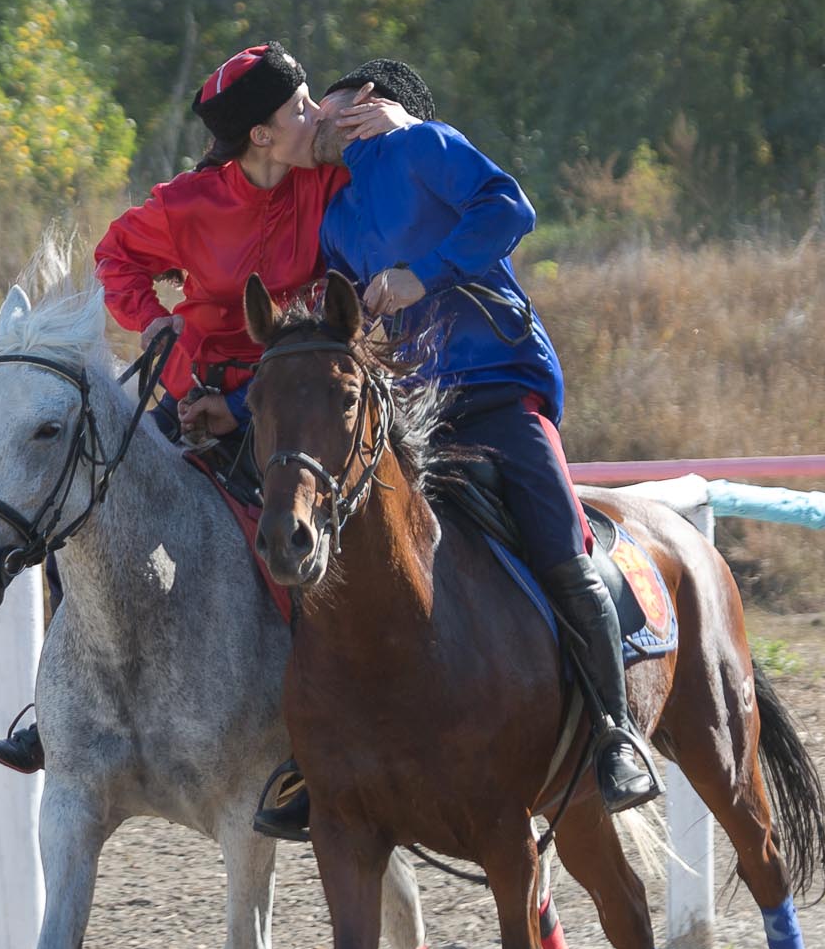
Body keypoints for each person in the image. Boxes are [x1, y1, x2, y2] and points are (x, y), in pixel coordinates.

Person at [250, 60, 662, 837]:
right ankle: (321, 755)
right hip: (415, 413)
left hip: (500, 392)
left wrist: (419, 274)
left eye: (321, 101)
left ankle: (615, 734)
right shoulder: (336, 218)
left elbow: (512, 209)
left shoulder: (424, 146)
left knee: (561, 548)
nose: (310, 119)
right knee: (346, 551)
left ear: (365, 103)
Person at [0, 43, 410, 774]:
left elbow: (408, 178)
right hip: (188, 390)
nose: (317, 116)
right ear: (262, 137)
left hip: (284, 402)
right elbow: (115, 256)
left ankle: (318, 727)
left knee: (298, 534)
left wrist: (399, 124)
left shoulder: (331, 181)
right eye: (302, 106)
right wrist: (154, 323)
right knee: (84, 507)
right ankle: (55, 711)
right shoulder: (186, 203)